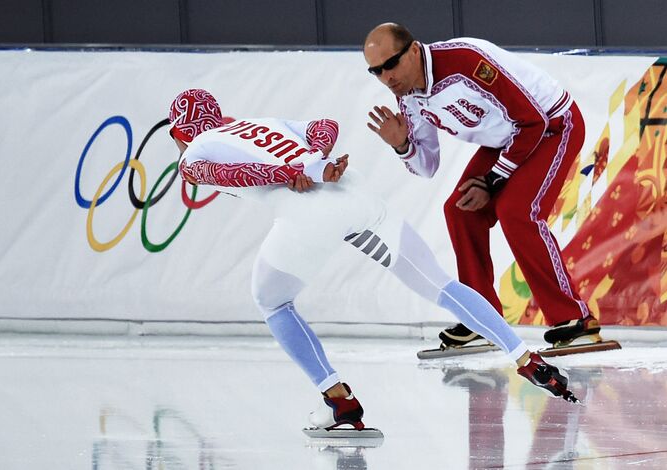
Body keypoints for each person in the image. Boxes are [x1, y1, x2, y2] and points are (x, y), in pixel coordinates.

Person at [167, 88, 578, 434]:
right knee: (441, 286)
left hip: (307, 213)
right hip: (358, 197)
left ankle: (340, 403)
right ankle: (525, 357)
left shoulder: (192, 156)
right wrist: (315, 158)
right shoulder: (260, 123)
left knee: (273, 302)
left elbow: (229, 173)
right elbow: (323, 127)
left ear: (180, 134)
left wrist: (289, 171)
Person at [363, 23, 602, 350]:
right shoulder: (409, 99)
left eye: (391, 64)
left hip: (552, 125)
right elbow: (427, 166)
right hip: (506, 138)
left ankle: (574, 319)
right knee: (460, 211)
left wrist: (493, 180)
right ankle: (482, 317)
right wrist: (402, 145)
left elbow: (533, 120)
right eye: (376, 71)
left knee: (517, 211)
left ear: (415, 50)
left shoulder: (464, 60)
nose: (387, 77)